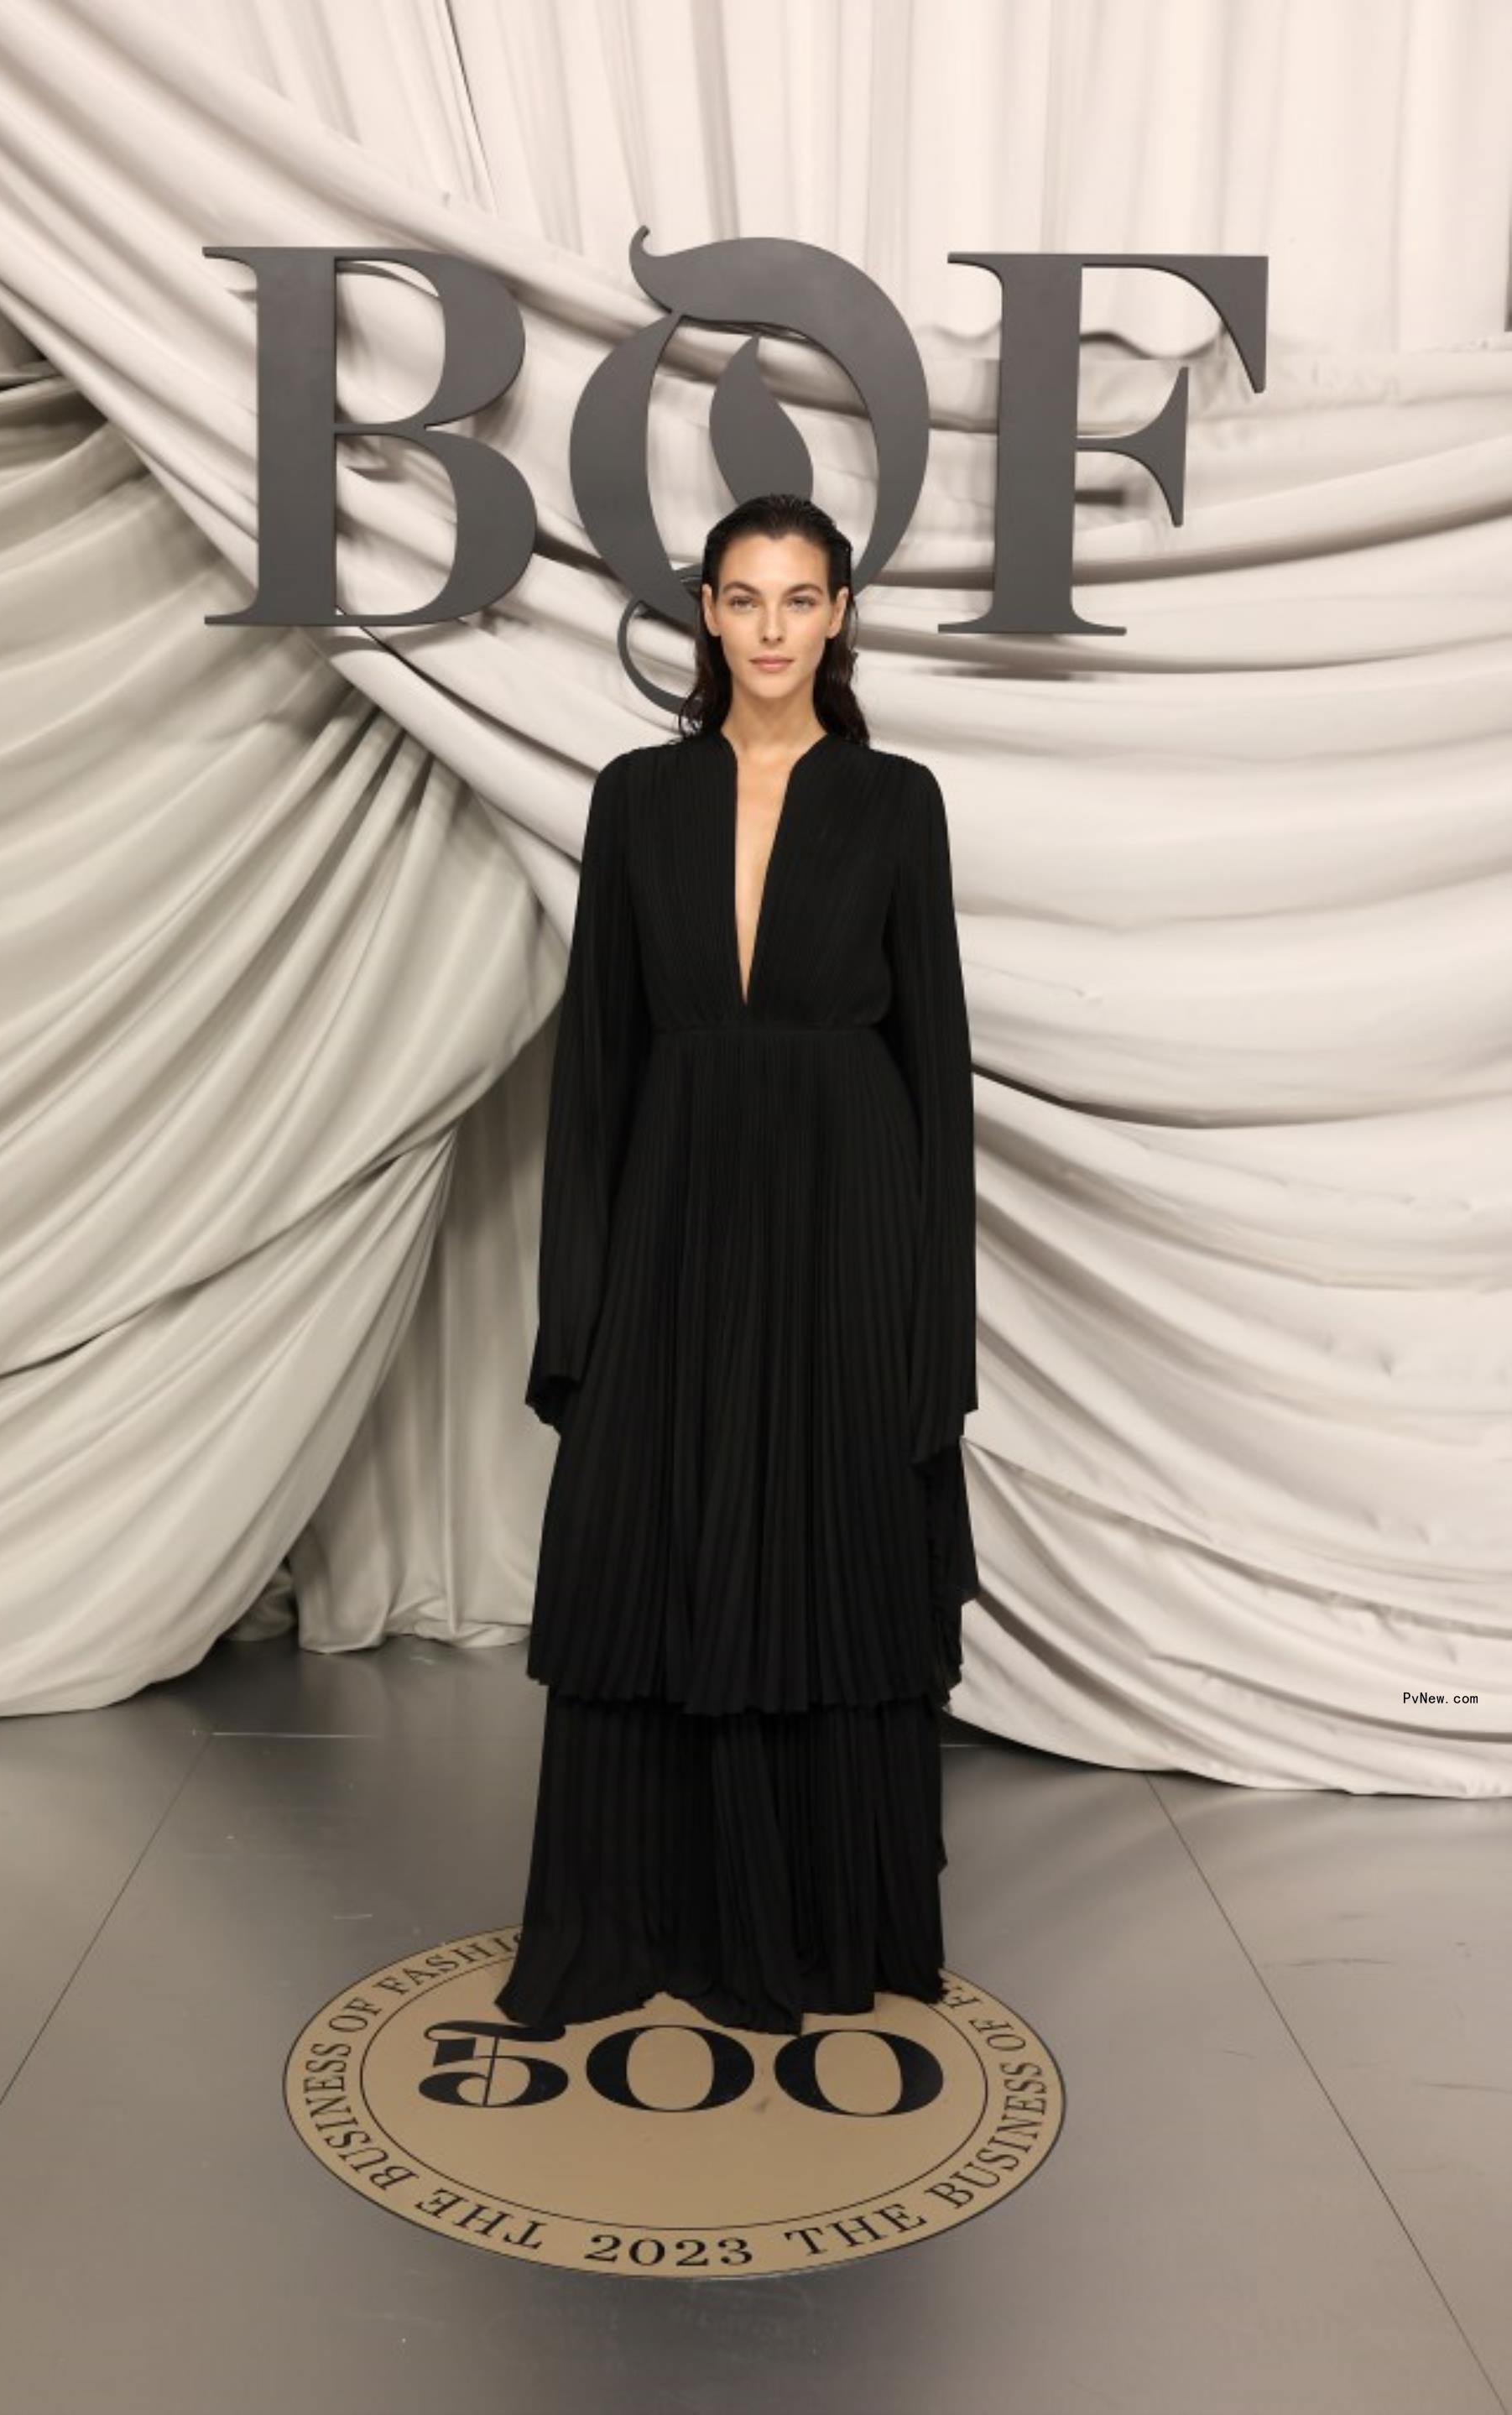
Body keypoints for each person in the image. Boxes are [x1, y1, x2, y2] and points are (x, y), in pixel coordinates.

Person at [494, 491, 979, 2037]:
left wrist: (932, 1329)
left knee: (826, 1537)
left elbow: (940, 1069)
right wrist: (584, 1302)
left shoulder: (898, 802)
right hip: (679, 1223)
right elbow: (598, 1059)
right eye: (746, 596)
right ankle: (635, 1913)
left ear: (840, 616)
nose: (773, 627)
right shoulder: (637, 797)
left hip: (850, 1220)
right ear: (707, 610)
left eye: (802, 597)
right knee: (662, 1540)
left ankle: (817, 1925)